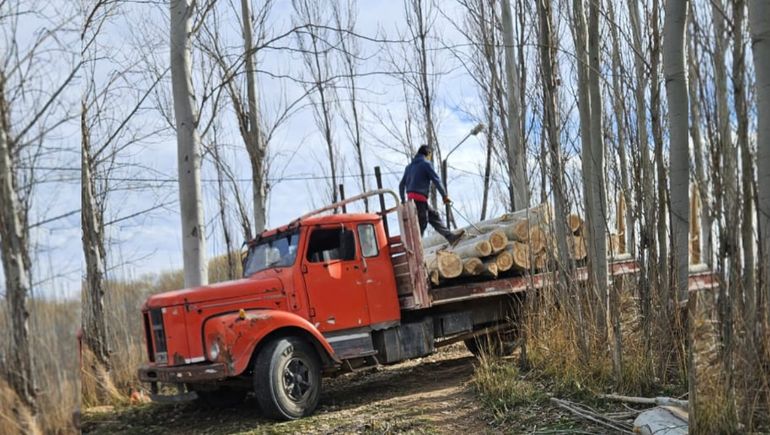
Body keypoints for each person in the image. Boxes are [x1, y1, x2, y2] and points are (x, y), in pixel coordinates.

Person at [399, 145, 464, 245]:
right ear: (428, 154)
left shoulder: (408, 167)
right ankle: (415, 248)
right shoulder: (426, 164)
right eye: (430, 155)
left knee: (433, 217)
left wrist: (403, 201)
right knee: (422, 223)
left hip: (411, 201)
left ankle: (450, 237)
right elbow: (436, 180)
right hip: (419, 200)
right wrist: (444, 196)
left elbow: (401, 185)